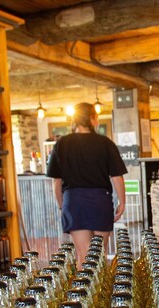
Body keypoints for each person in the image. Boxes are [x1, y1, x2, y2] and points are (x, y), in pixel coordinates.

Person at [47, 103, 127, 266]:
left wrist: (62, 206)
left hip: (74, 202)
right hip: (100, 200)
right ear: (92, 119)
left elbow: (56, 182)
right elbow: (116, 176)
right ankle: (100, 289)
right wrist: (122, 202)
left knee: (83, 257)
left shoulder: (62, 144)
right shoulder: (105, 143)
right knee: (99, 255)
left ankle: (85, 289)